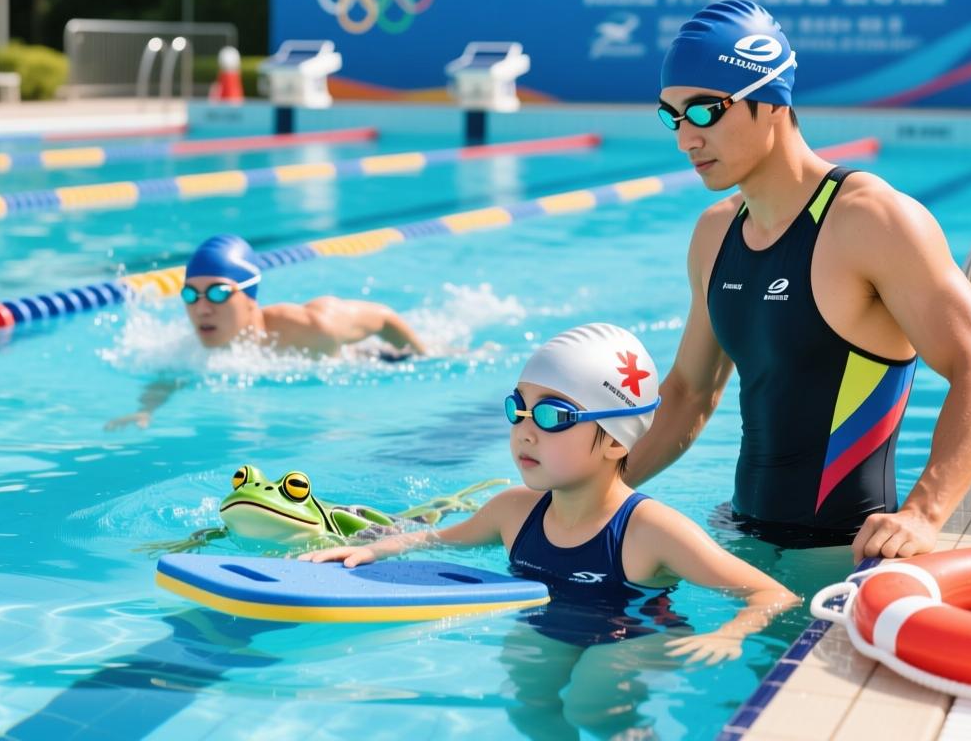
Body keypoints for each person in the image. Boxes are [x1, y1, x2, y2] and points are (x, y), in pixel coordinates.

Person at [626, 0, 971, 563]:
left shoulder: (871, 219)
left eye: (705, 111)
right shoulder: (715, 232)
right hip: (741, 539)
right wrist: (584, 493)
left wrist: (923, 514)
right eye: (672, 115)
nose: (685, 138)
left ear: (771, 100)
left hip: (841, 551)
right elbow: (688, 393)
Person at [304, 323, 797, 737]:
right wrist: (369, 551)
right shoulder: (513, 512)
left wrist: (731, 634)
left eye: (553, 415)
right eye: (517, 408)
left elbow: (770, 594)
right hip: (557, 625)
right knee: (528, 702)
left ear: (615, 440)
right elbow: (435, 538)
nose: (525, 429)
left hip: (638, 636)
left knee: (590, 700)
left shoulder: (649, 530)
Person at [105, 234, 427, 429]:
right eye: (190, 294)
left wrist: (426, 355)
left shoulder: (312, 326)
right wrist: (145, 411)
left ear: (249, 298)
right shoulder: (194, 346)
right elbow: (171, 376)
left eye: (218, 292)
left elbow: (384, 318)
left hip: (376, 360)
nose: (202, 308)